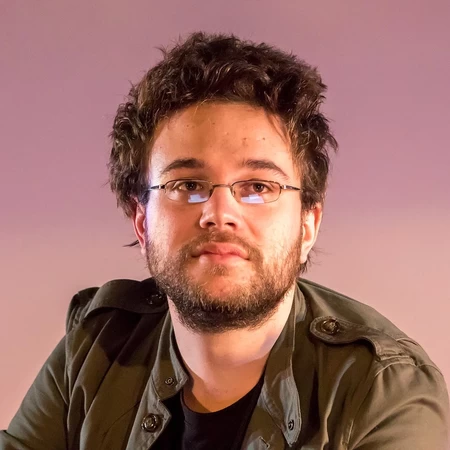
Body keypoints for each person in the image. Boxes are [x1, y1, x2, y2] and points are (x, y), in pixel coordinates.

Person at [1, 32, 448, 450]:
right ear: (141, 222)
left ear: (307, 225)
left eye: (258, 187)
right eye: (187, 185)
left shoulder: (384, 390)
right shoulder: (94, 349)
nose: (219, 213)